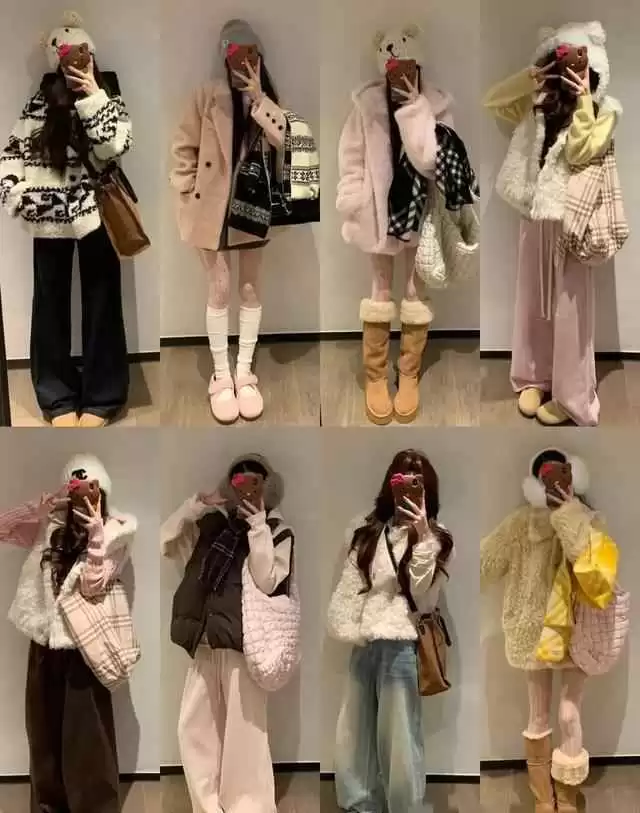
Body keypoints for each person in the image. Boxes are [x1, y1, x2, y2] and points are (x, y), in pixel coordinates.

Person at [170, 20, 319, 425]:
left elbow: (286, 142)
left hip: (253, 208)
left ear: (260, 56)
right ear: (225, 55)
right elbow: (184, 147)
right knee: (219, 288)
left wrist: (259, 99)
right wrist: (186, 190)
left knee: (250, 287)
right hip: (211, 210)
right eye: (236, 53)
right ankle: (221, 376)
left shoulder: (267, 99)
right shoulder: (206, 95)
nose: (244, 61)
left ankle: (244, 373)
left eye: (251, 53)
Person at [483, 21, 621, 426]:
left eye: (580, 60)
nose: (572, 68)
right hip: (534, 218)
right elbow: (491, 101)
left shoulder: (605, 110)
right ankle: (533, 377)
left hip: (574, 224)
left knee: (570, 312)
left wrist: (583, 99)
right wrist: (530, 78)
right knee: (531, 303)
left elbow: (580, 152)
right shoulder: (537, 102)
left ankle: (572, 394)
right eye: (563, 59)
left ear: (593, 65)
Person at [0, 12, 132, 427]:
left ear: (91, 54)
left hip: (97, 211)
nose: (75, 61)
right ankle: (56, 397)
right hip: (48, 214)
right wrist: (16, 194)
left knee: (103, 300)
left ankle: (102, 396)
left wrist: (93, 94)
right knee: (49, 304)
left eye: (82, 53)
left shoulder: (107, 94)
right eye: (67, 55)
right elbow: (12, 151)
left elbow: (114, 148)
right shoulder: (40, 100)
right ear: (56, 58)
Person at [481, 448, 619, 812]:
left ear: (574, 477)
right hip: (535, 631)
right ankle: (544, 799)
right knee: (537, 716)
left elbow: (596, 575)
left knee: (569, 714)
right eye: (546, 477)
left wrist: (568, 514)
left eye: (562, 474)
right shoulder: (520, 524)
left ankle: (568, 797)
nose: (554, 482)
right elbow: (486, 562)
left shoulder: (590, 521)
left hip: (578, 631)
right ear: (534, 483)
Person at [0, 454, 137, 813]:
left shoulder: (117, 533)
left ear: (103, 491)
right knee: (42, 736)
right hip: (43, 647)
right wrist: (36, 510)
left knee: (88, 742)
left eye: (93, 488)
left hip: (83, 650)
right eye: (76, 489)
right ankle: (48, 807)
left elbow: (93, 586)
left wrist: (96, 537)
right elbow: (1, 529)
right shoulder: (51, 528)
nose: (84, 496)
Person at [161, 454, 295, 812]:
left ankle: (248, 806)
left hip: (244, 645)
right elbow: (167, 541)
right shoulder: (211, 526)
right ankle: (207, 806)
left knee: (245, 734)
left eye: (255, 483)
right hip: (205, 641)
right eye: (239, 482)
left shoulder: (276, 531)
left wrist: (258, 527)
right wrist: (195, 505)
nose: (246, 490)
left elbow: (267, 580)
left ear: (267, 487)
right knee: (194, 729)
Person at [336, 26, 454, 424]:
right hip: (379, 212)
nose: (399, 72)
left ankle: (409, 373)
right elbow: (350, 157)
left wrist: (414, 107)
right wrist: (353, 199)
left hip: (422, 211)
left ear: (418, 64)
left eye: (407, 65)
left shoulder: (436, 106)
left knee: (415, 291)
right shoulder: (366, 104)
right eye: (392, 66)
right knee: (381, 289)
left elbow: (431, 160)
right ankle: (375, 375)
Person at [327, 449, 454, 813]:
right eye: (401, 480)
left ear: (427, 490)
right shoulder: (366, 531)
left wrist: (423, 537)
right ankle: (360, 804)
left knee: (400, 737)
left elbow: (422, 594)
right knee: (354, 732)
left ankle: (404, 807)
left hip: (402, 644)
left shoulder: (439, 538)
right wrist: (347, 626)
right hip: (365, 639)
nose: (408, 489)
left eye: (417, 483)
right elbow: (352, 584)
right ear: (390, 485)